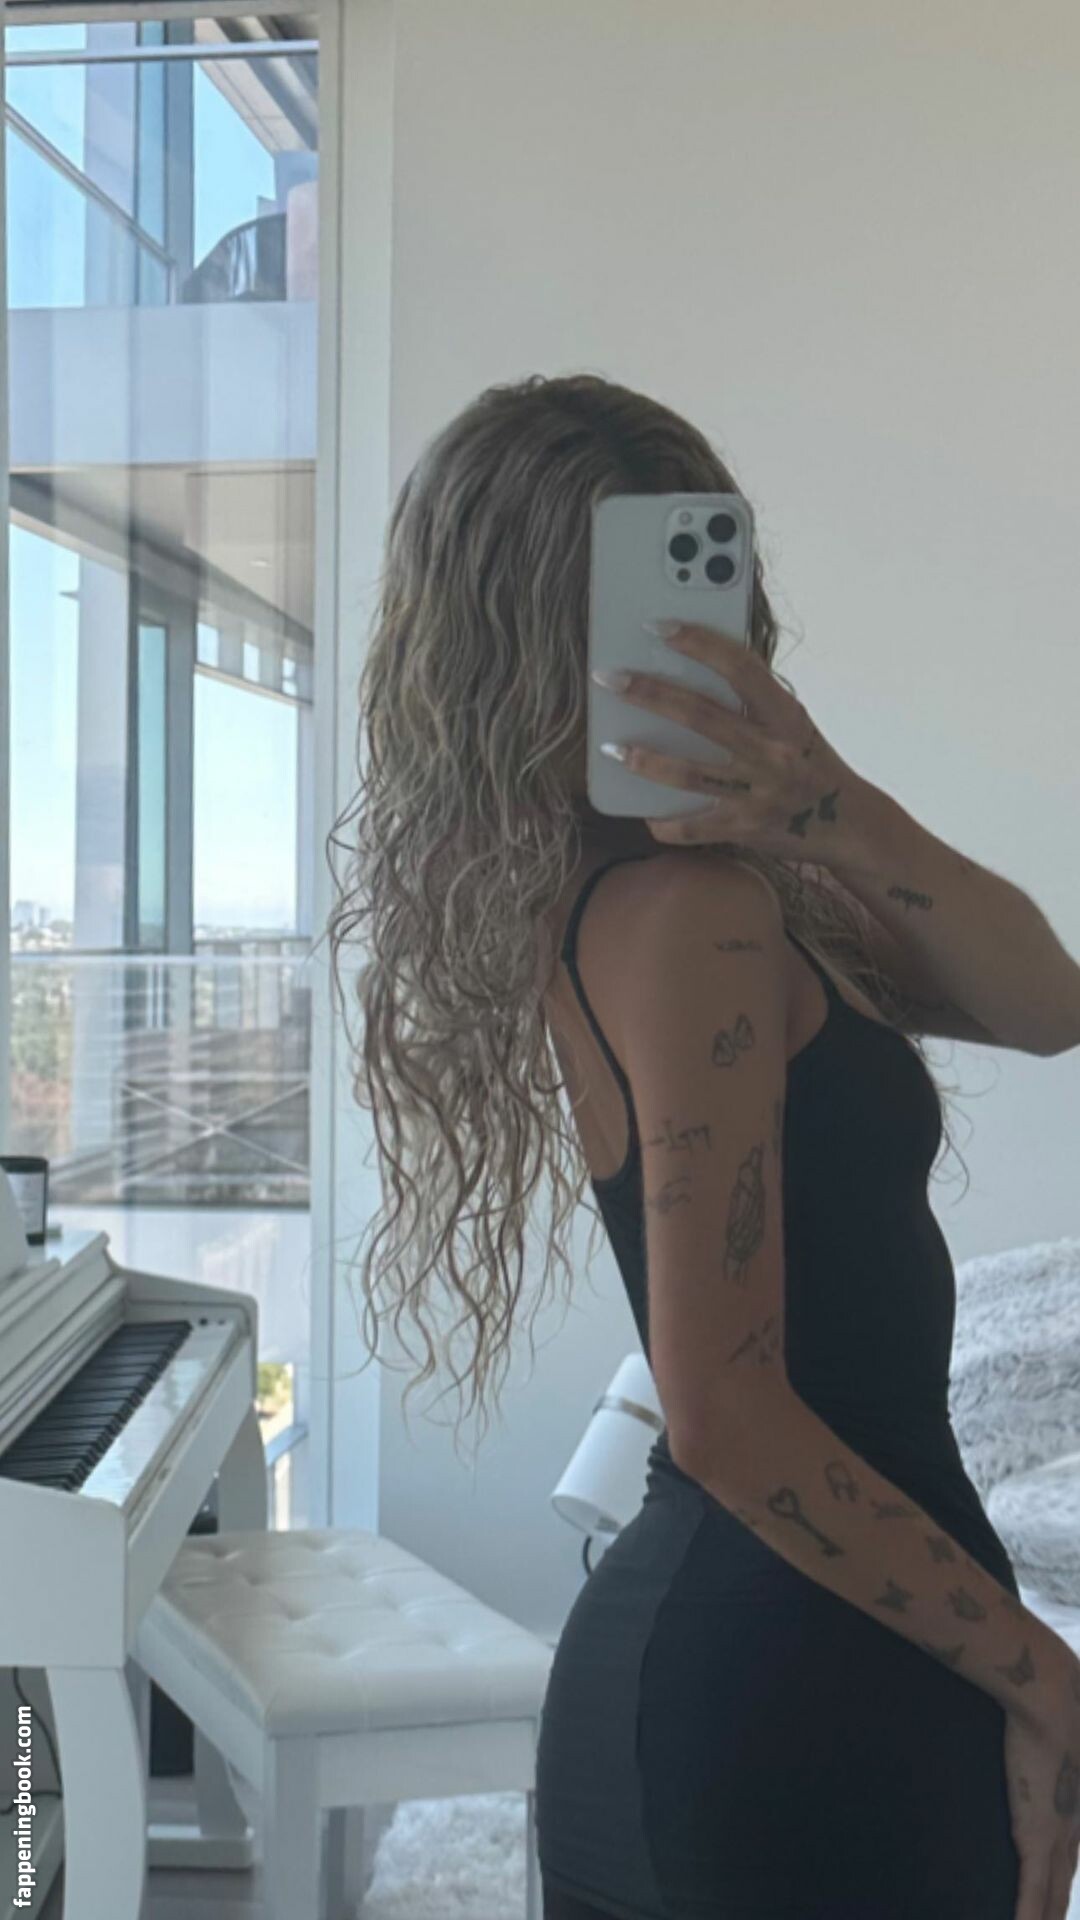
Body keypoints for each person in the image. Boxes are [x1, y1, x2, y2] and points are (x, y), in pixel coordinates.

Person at [328, 371, 1080, 1920]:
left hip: (800, 1665)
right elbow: (726, 1414)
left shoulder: (708, 896)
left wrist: (828, 803)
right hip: (792, 1695)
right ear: (537, 642)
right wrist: (1045, 1675)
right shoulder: (690, 919)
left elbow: (1047, 1003)